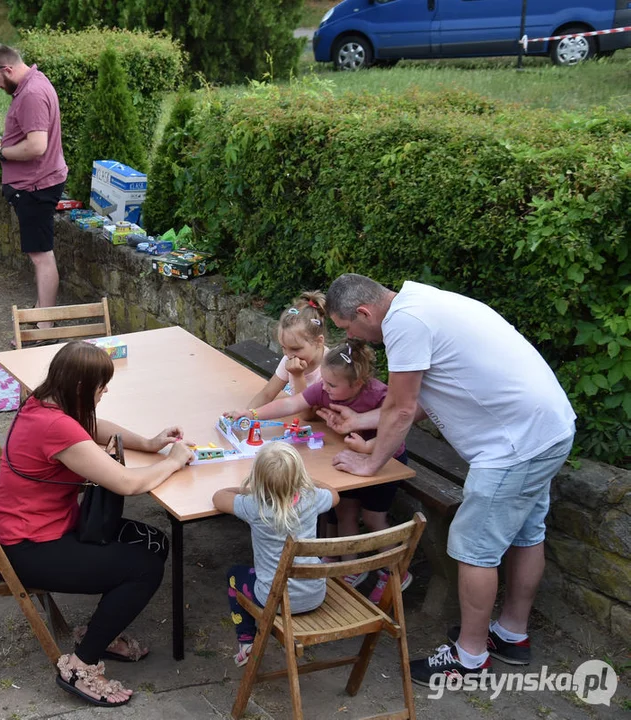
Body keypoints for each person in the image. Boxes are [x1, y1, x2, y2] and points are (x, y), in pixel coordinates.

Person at [322, 274, 576, 685]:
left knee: (474, 548)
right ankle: (512, 635)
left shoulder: (405, 324)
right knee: (527, 534)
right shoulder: (424, 302)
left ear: (365, 313)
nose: (351, 337)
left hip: (514, 447)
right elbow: (427, 395)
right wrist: (362, 419)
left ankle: (469, 659)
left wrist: (371, 465)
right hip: (547, 430)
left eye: (348, 327)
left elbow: (402, 409)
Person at [0, 341, 194, 707]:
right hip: (28, 549)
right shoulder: (55, 426)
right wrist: (174, 460)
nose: (105, 393)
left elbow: (93, 427)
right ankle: (80, 665)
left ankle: (98, 632)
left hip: (45, 528)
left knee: (153, 542)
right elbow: (128, 483)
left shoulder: (45, 403)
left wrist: (149, 443)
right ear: (83, 388)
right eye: (102, 387)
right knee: (144, 568)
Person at [224, 339, 410, 600]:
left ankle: (396, 572)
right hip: (348, 459)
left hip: (385, 461)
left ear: (357, 384)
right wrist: (252, 414)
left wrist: (368, 447)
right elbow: (291, 404)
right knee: (345, 509)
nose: (324, 387)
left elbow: (397, 431)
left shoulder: (379, 395)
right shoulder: (326, 387)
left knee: (372, 519)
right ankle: (350, 567)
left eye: (331, 385)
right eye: (323, 381)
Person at [213, 443, 339, 667]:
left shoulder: (255, 506)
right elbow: (334, 495)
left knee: (234, 575)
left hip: (274, 600)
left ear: (258, 479)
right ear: (299, 476)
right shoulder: (311, 499)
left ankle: (246, 640)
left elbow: (218, 497)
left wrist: (252, 489)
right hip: (315, 594)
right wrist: (309, 483)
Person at [0, 44, 67, 343]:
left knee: (41, 256)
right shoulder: (35, 83)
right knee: (38, 253)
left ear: (7, 69)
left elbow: (37, 146)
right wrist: (2, 143)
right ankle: (42, 314)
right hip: (36, 183)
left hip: (36, 186)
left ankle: (45, 327)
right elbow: (31, 137)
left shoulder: (30, 94)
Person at [247, 291, 329, 407]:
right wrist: (246, 414)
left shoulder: (330, 368)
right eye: (284, 347)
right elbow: (267, 394)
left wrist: (297, 376)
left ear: (318, 341)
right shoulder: (290, 358)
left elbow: (307, 415)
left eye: (295, 349)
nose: (289, 355)